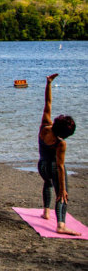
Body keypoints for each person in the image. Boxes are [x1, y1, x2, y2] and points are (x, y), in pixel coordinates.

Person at [38, 73, 79, 235]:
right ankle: (61, 224)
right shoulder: (60, 144)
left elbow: (48, 103)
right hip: (53, 167)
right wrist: (62, 188)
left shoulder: (45, 126)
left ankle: (46, 211)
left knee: (47, 183)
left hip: (41, 166)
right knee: (61, 195)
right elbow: (61, 167)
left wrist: (48, 84)